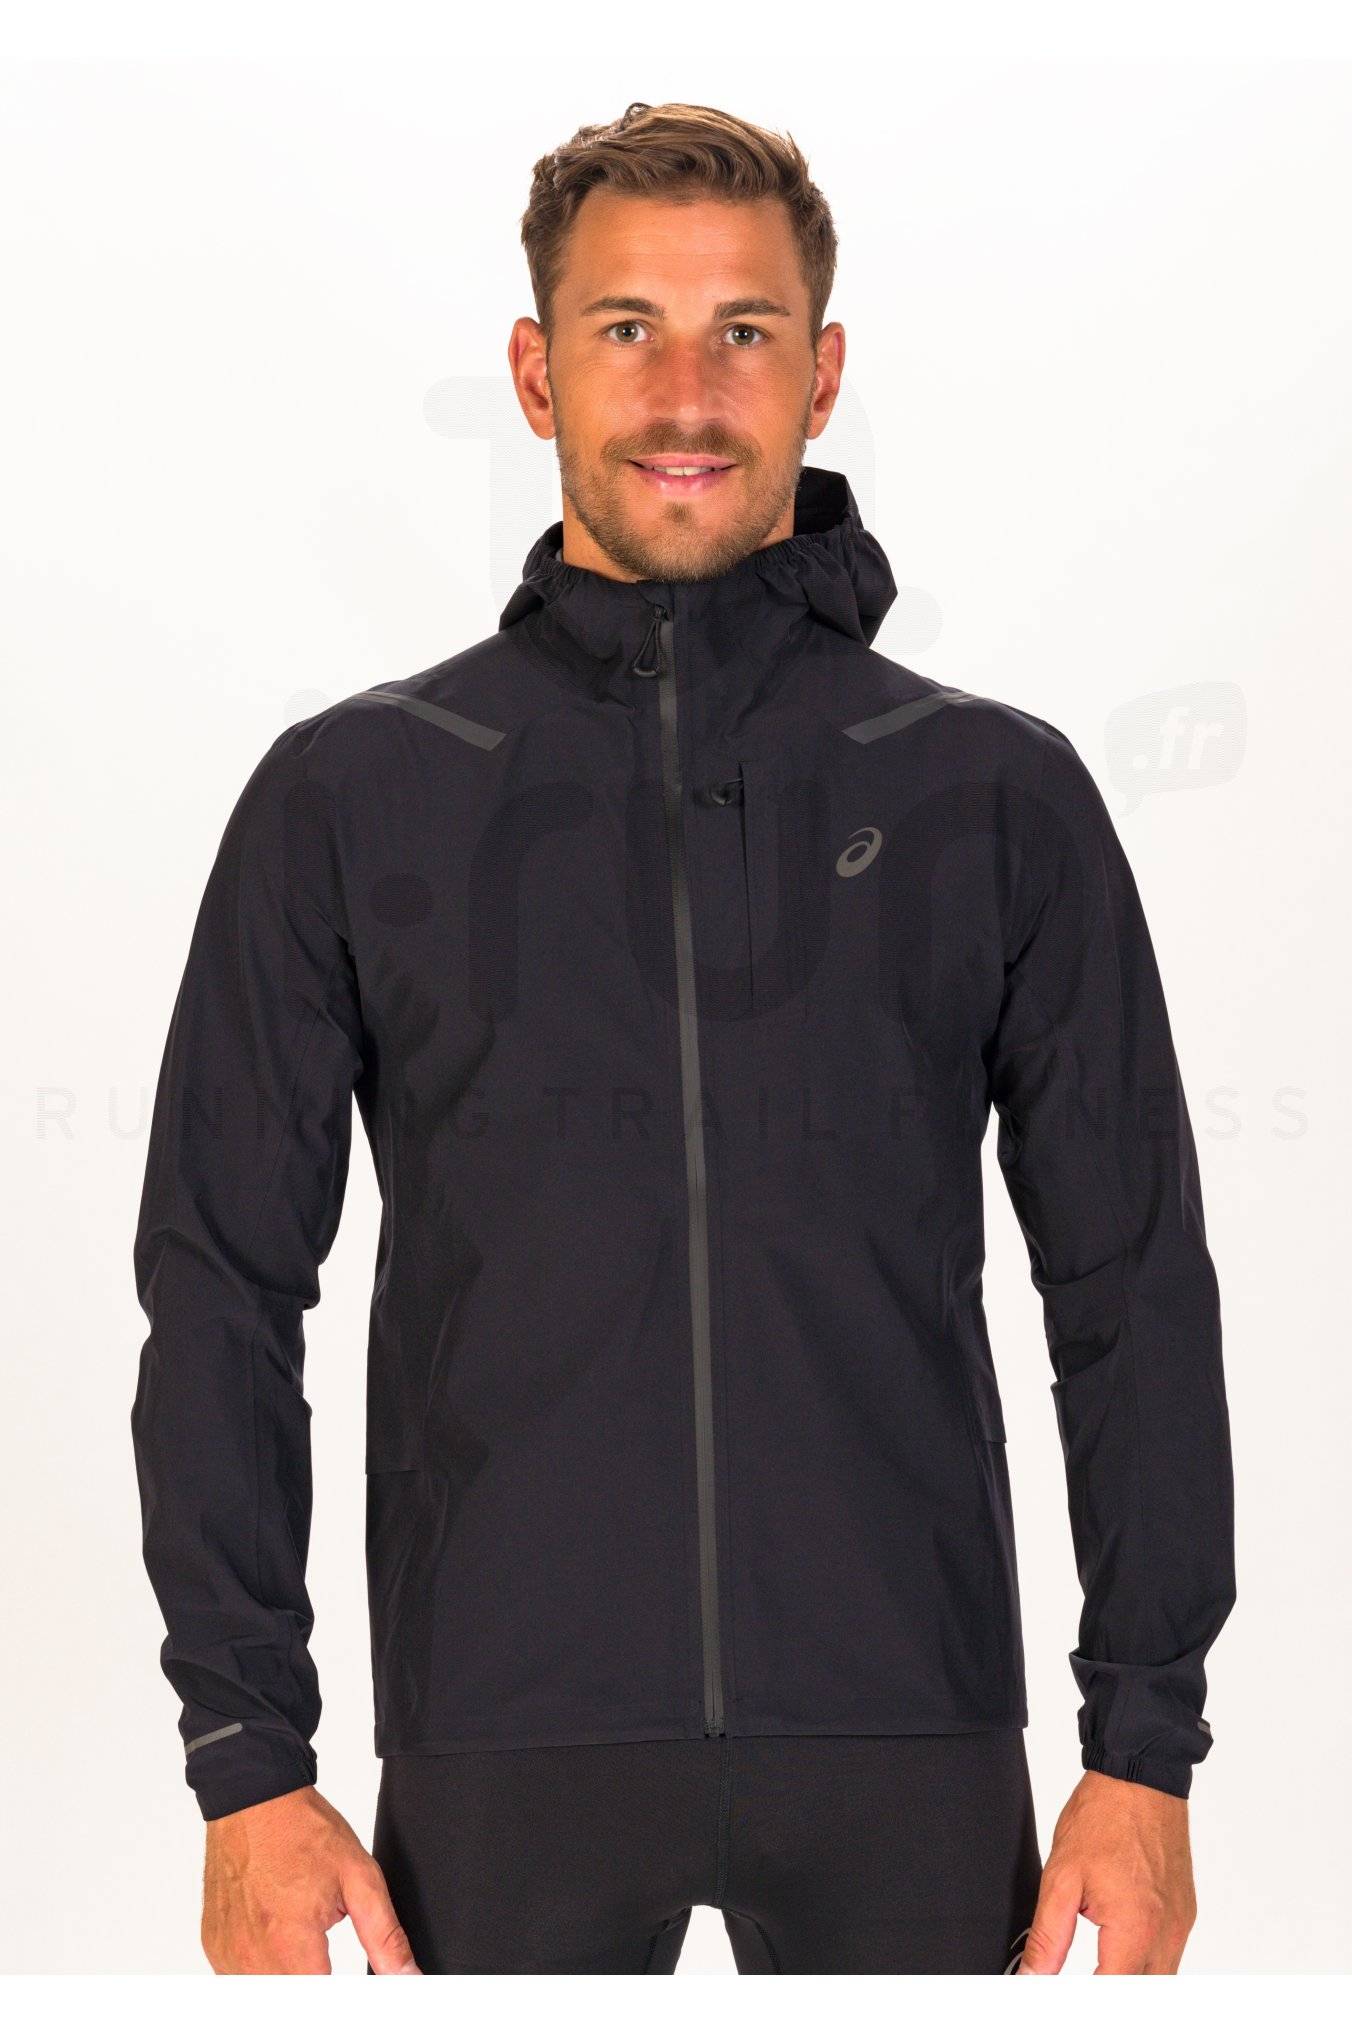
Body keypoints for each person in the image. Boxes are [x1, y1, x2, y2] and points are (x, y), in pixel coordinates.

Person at [130, 100, 1236, 1976]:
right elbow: (224, 1287)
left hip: (904, 1733)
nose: (685, 392)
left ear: (823, 373)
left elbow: (1130, 1282)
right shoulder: (361, 792)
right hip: (505, 1741)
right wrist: (249, 1763)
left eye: (744, 330)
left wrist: (1147, 1749)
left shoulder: (988, 792)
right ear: (534, 371)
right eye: (626, 326)